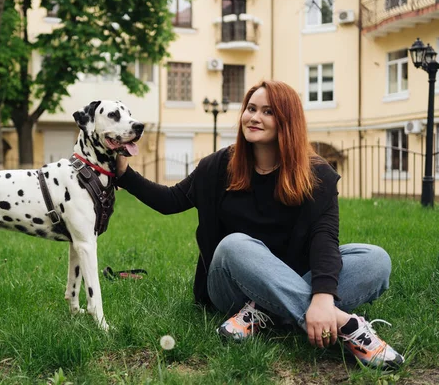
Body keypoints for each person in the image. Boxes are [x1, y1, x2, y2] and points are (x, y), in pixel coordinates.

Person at [115, 80, 404, 370]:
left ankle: (262, 313)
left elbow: (324, 238)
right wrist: (125, 175)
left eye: (268, 111)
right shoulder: (218, 166)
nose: (254, 117)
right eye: (251, 108)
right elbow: (171, 201)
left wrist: (323, 295)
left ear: (286, 121)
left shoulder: (317, 174)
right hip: (230, 284)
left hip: (291, 275)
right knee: (234, 245)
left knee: (375, 260)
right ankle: (345, 325)